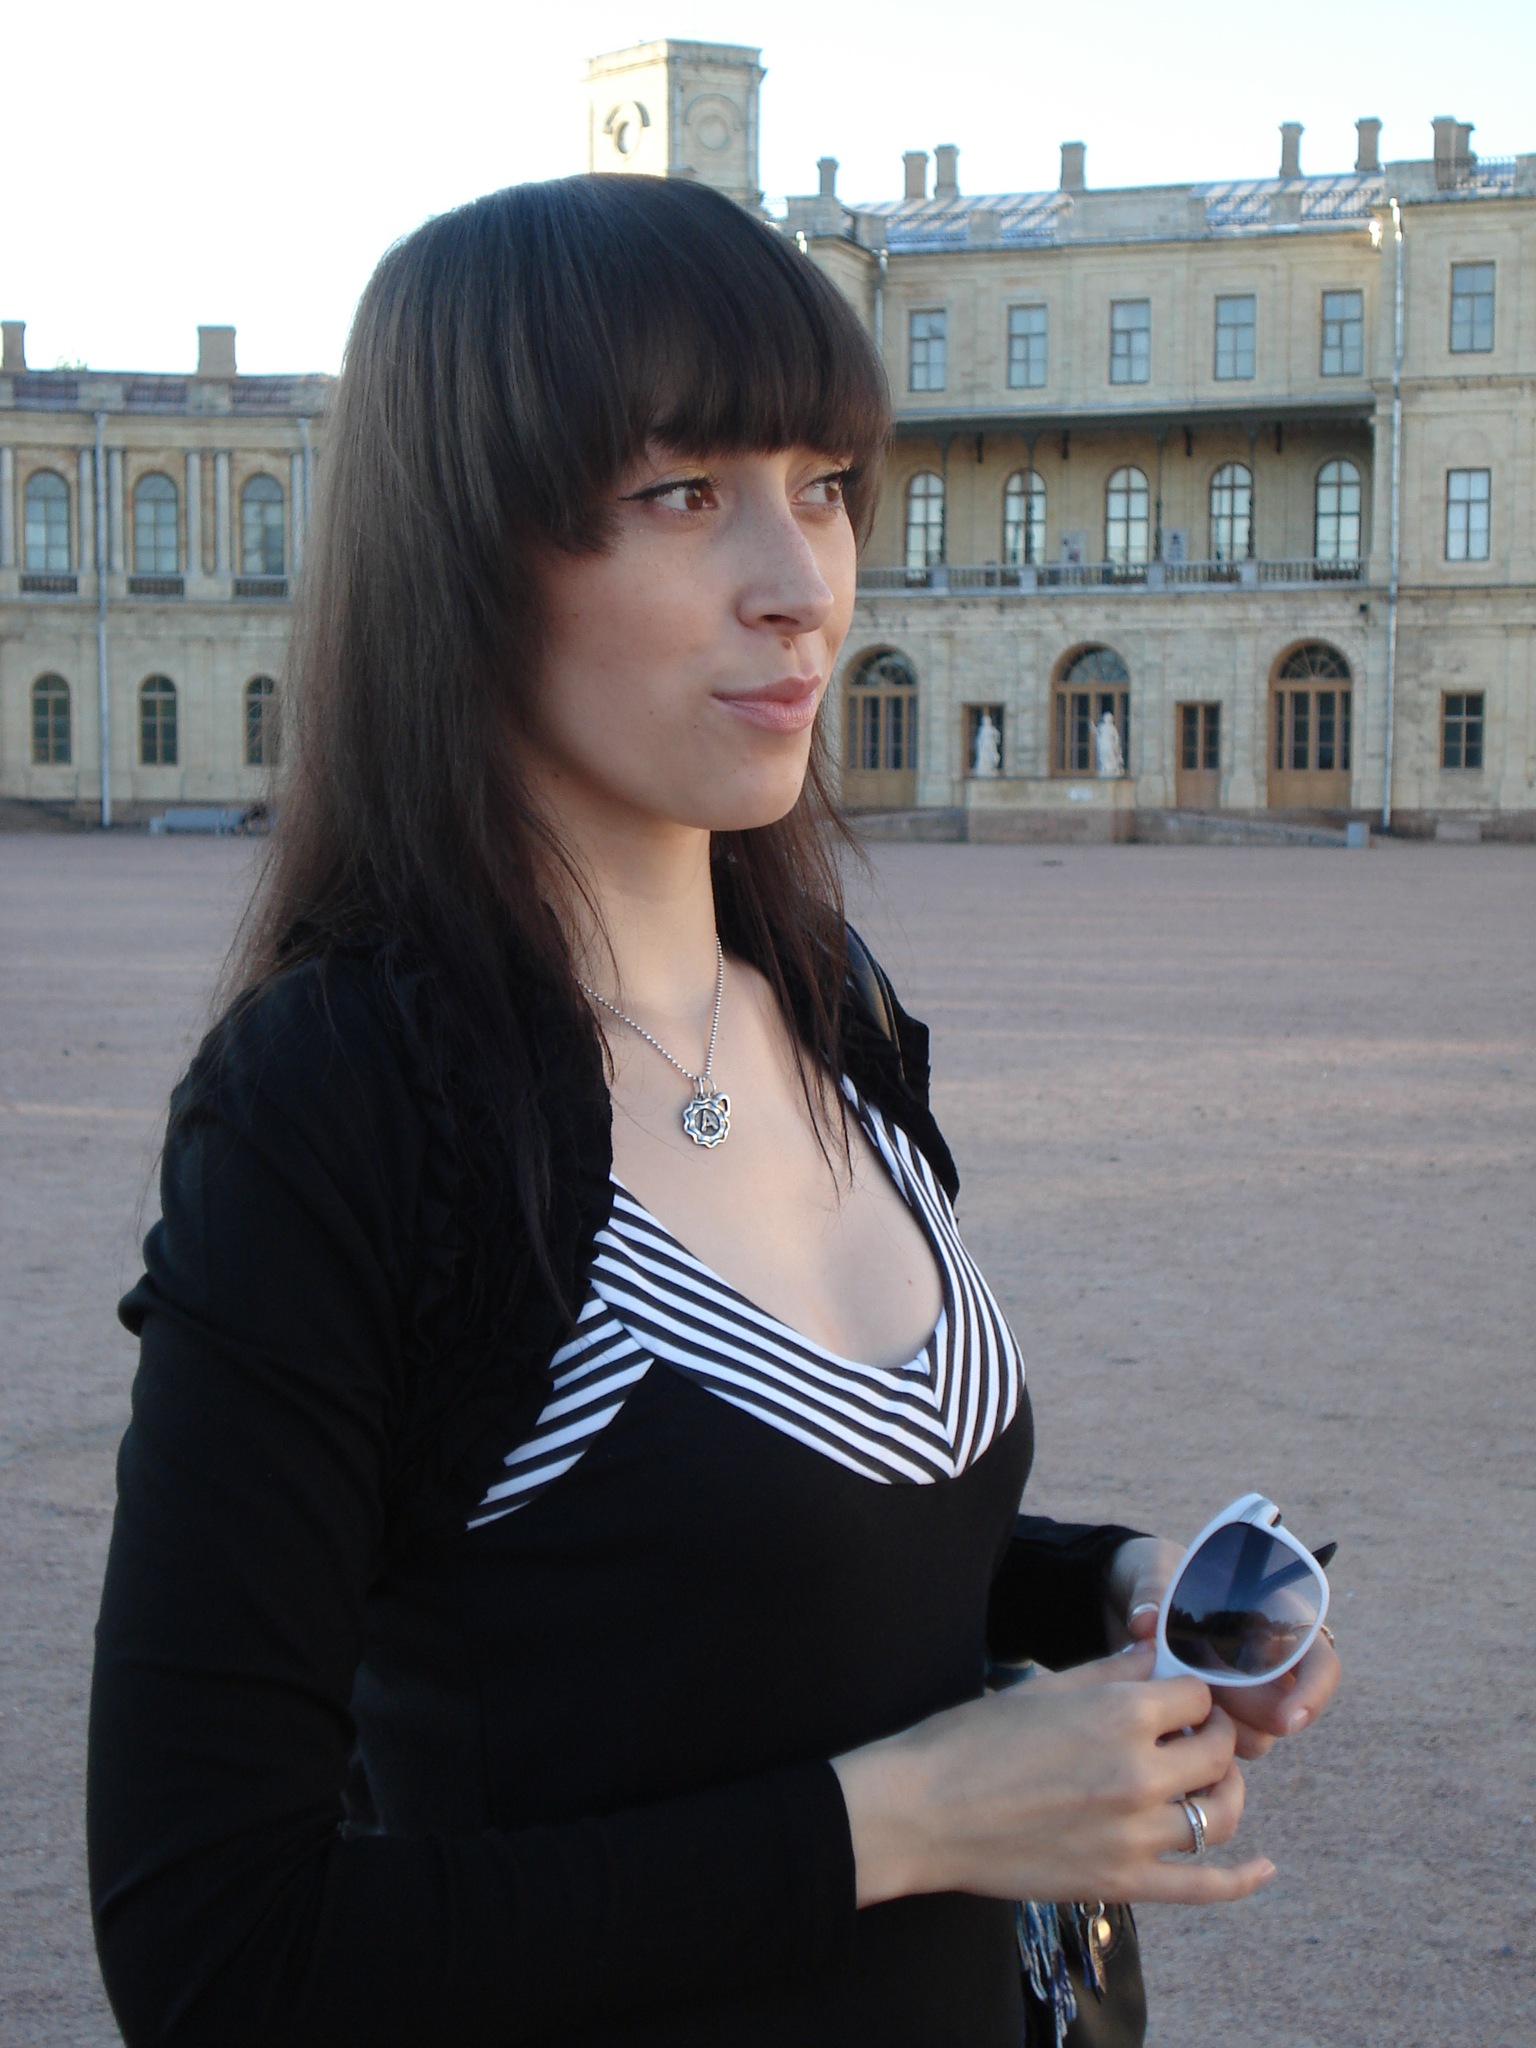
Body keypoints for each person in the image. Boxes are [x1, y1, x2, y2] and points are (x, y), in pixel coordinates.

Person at [87, 175, 1338, 2048]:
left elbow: (701, 1554)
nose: (803, 581)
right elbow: (218, 1951)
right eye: (683, 494)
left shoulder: (833, 1010)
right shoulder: (346, 1102)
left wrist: (1102, 1587)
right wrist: (904, 1821)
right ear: (467, 552)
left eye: (823, 485)